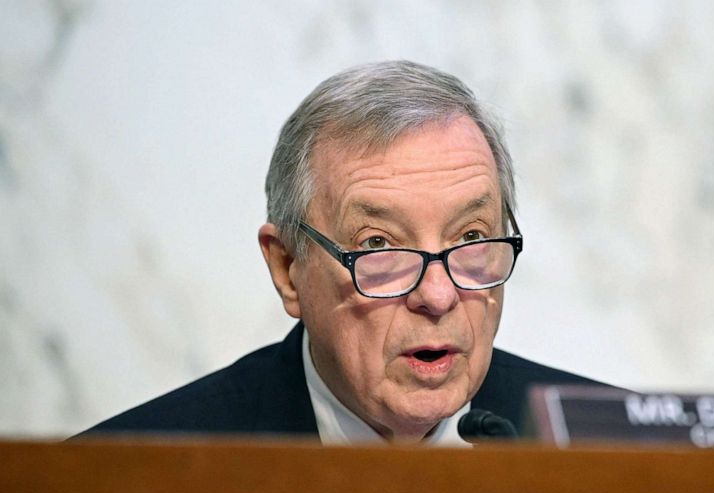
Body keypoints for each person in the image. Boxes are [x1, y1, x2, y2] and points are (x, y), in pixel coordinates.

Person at [84, 60, 600, 444]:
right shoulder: (131, 471)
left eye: (469, 238)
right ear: (287, 269)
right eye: (378, 245)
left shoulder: (606, 450)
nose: (438, 295)